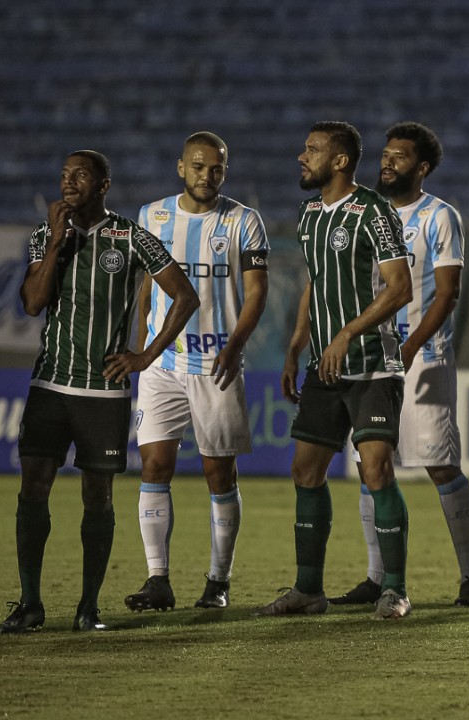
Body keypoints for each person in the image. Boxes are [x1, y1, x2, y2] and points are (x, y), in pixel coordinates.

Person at [0, 150, 199, 633]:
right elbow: (32, 303)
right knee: (33, 491)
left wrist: (144, 356)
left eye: (80, 175)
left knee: (98, 498)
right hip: (49, 384)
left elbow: (185, 295)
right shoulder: (45, 236)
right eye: (64, 174)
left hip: (102, 393)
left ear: (104, 184)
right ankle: (30, 604)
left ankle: (88, 608)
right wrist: (54, 246)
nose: (69, 182)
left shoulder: (130, 237)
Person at [256, 121, 414, 620]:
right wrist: (296, 342)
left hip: (371, 364)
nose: (302, 157)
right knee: (305, 471)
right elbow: (315, 282)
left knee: (375, 470)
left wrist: (347, 333)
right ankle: (308, 590)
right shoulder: (308, 215)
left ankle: (395, 589)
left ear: (341, 160)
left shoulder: (374, 211)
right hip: (323, 364)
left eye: (313, 150)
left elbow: (400, 287)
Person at [328, 121, 469, 608]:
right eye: (385, 154)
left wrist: (413, 344)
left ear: (422, 168)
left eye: (399, 157)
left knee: (439, 464)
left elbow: (448, 292)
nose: (387, 162)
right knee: (370, 465)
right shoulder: (366, 214)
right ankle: (377, 577)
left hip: (422, 355)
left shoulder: (440, 217)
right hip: (372, 357)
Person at [122, 132, 269, 612]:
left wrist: (237, 344)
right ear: (181, 167)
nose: (208, 175)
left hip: (216, 363)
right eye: (199, 166)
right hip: (162, 365)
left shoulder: (244, 220)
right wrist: (140, 350)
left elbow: (256, 293)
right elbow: (146, 289)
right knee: (154, 466)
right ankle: (157, 579)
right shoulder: (151, 216)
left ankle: (217, 582)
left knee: (218, 473)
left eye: (217, 168)